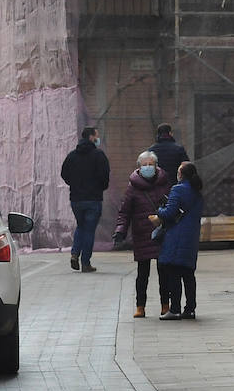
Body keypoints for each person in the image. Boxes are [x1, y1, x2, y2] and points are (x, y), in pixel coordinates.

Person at [114, 151, 174, 318]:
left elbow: (173, 205)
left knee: (164, 272)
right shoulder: (132, 188)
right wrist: (120, 231)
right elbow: (124, 212)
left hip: (161, 232)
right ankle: (140, 306)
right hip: (142, 234)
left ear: (156, 166)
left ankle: (165, 305)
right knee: (143, 273)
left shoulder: (165, 183)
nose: (148, 167)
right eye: (144, 165)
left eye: (151, 164)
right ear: (139, 167)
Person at [151, 161, 204, 319]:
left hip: (176, 237)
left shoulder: (177, 189)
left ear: (181, 174)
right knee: (188, 274)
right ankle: (190, 309)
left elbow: (169, 213)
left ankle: (174, 309)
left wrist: (158, 209)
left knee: (173, 273)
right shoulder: (197, 192)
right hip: (191, 237)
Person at [60, 126, 111, 272]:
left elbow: (64, 173)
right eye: (97, 135)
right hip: (93, 199)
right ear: (91, 137)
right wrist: (100, 187)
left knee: (81, 226)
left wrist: (74, 184)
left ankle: (75, 253)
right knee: (89, 230)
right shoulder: (99, 155)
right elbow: (105, 175)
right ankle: (86, 262)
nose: (98, 138)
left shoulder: (72, 156)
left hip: (76, 198)